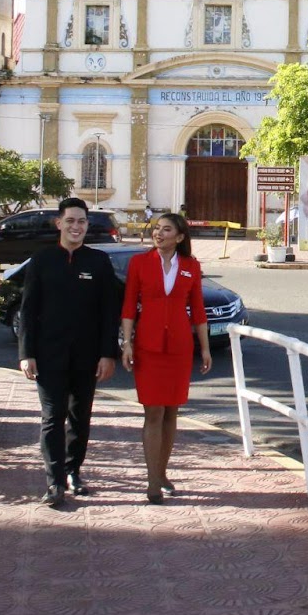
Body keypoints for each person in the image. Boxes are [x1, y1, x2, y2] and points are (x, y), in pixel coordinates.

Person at [18, 197, 121, 508]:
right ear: (59, 223)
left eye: (82, 221)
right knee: (52, 417)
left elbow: (109, 312)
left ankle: (73, 470)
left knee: (80, 416)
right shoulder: (42, 260)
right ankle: (54, 482)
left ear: (87, 226)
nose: (76, 227)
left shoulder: (99, 262)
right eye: (71, 221)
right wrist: (26, 353)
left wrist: (108, 354)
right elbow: (28, 309)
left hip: (87, 356)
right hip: (48, 355)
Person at [121, 212, 212, 503]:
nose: (159, 234)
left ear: (180, 237)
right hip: (147, 346)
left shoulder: (191, 266)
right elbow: (128, 306)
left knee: (172, 412)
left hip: (179, 348)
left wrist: (205, 348)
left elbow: (198, 309)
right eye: (157, 229)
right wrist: (127, 343)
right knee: (153, 412)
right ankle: (152, 481)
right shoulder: (139, 263)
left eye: (166, 230)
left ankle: (162, 473)